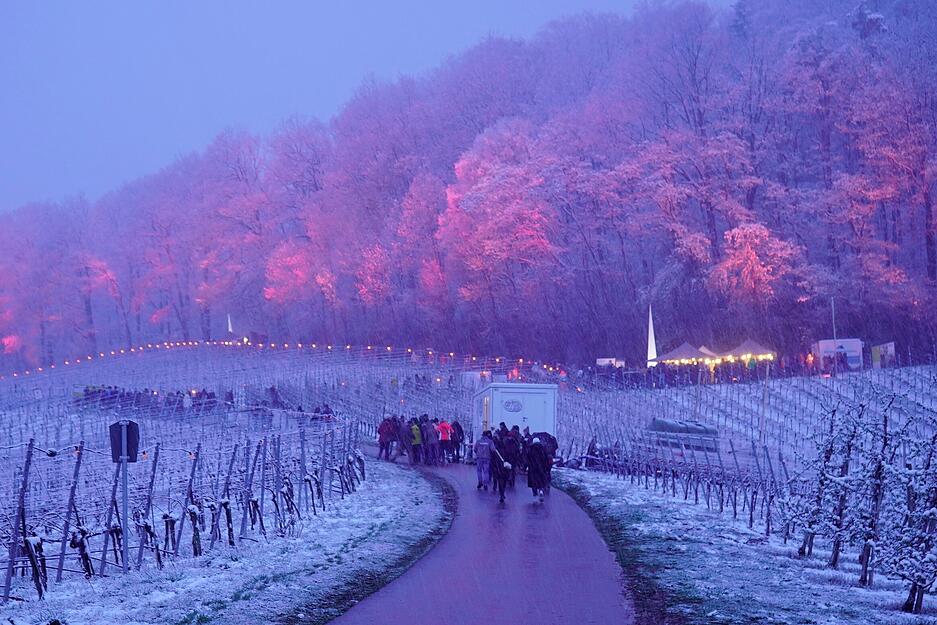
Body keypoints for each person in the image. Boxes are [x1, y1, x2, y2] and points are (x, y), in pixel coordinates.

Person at [527, 437, 550, 502]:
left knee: (533, 482)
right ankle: (541, 490)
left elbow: (527, 459)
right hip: (541, 468)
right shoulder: (543, 449)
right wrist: (546, 467)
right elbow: (546, 459)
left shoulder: (530, 449)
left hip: (532, 469)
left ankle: (535, 494)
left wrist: (526, 466)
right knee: (541, 481)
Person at [492, 437, 512, 503]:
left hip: (498, 469)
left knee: (500, 482)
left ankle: (501, 494)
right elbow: (509, 459)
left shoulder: (495, 452)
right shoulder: (506, 451)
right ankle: (502, 492)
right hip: (505, 469)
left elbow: (493, 461)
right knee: (504, 482)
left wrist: (494, 468)